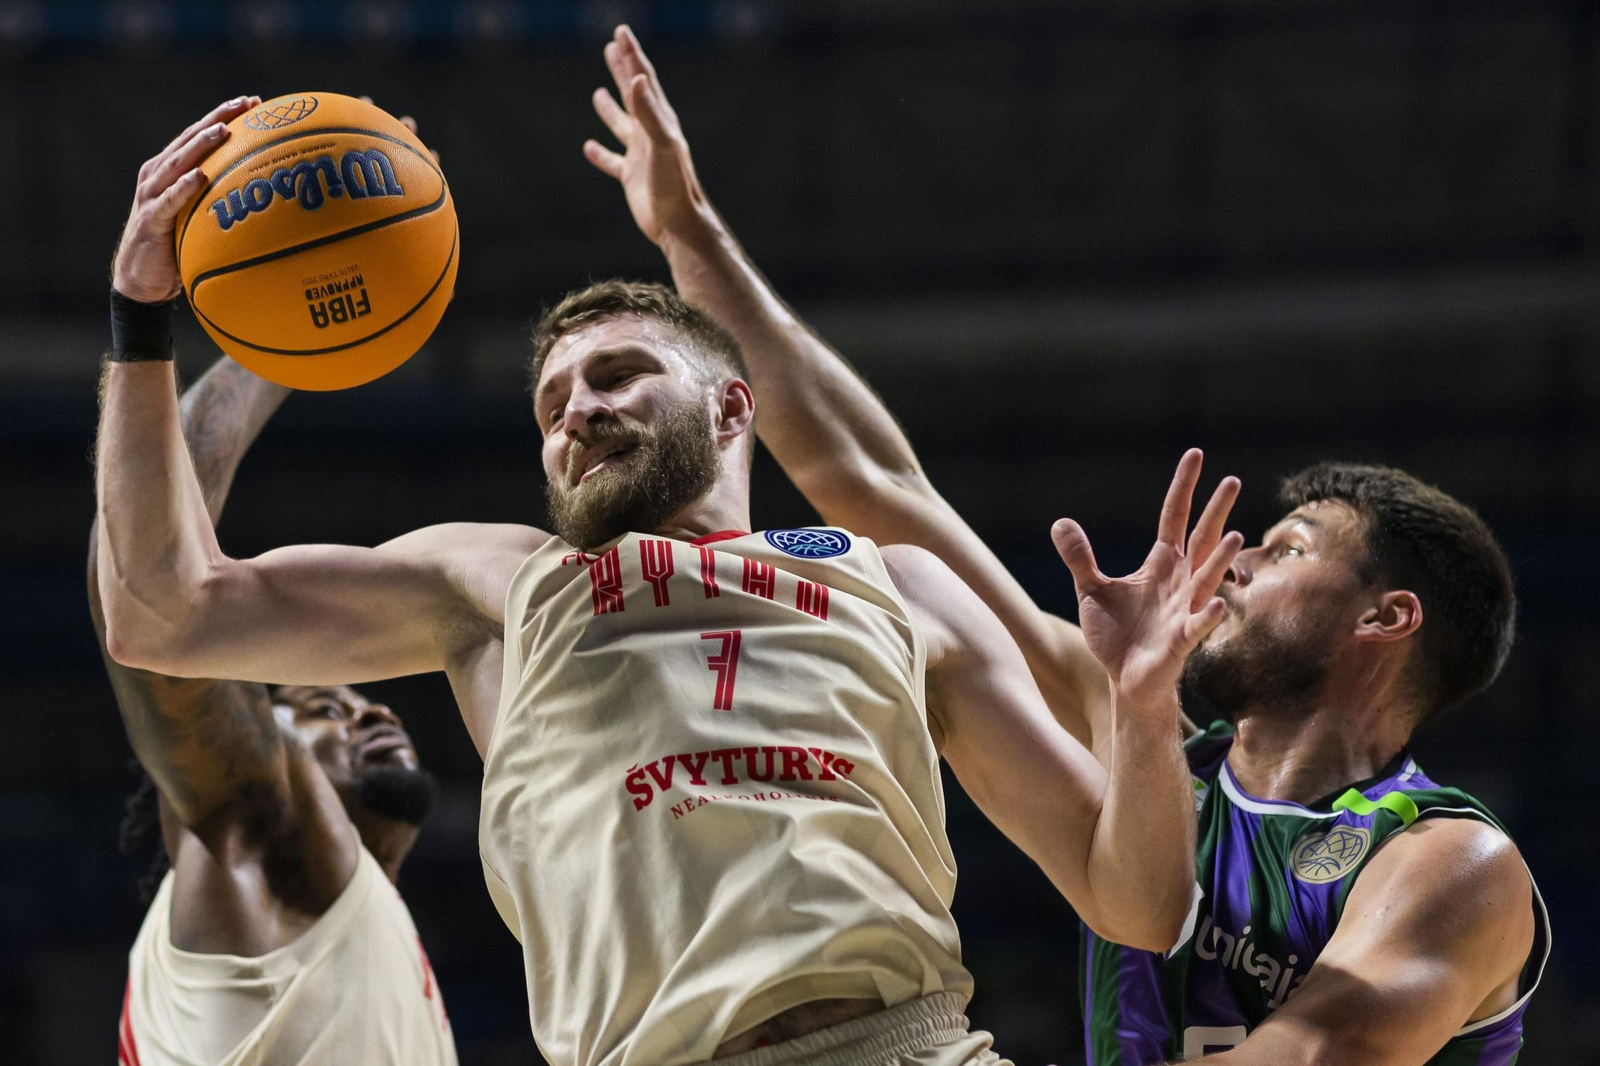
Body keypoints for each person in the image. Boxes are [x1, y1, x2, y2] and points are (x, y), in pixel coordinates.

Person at [95, 95, 1240, 1066]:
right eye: (552, 404)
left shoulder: (901, 586)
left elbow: (1137, 906)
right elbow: (161, 609)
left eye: (617, 375)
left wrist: (1140, 709)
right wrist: (140, 315)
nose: (576, 412)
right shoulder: (498, 583)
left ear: (732, 407)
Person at [577, 26, 1550, 1065]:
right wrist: (688, 231)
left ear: (1386, 617)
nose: (1237, 564)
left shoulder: (1448, 859)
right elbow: (874, 484)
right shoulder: (1144, 746)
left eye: (1288, 548)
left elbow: (1321, 1053)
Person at [91, 96, 456, 1066]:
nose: (371, 707)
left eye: (345, 699)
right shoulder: (260, 827)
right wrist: (160, 320)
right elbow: (154, 583)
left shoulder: (360, 918)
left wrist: (302, 321)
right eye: (323, 705)